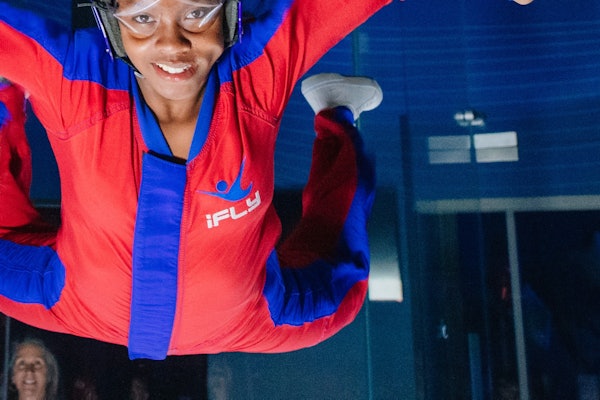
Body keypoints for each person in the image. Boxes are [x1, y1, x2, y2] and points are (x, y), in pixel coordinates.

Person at [0, 0, 388, 360]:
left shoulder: (257, 70)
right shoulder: (77, 78)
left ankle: (337, 118)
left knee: (344, 292)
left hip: (245, 316)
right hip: (80, 300)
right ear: (112, 22)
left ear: (228, 13)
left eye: (196, 13)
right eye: (143, 18)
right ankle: (8, 88)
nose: (172, 44)